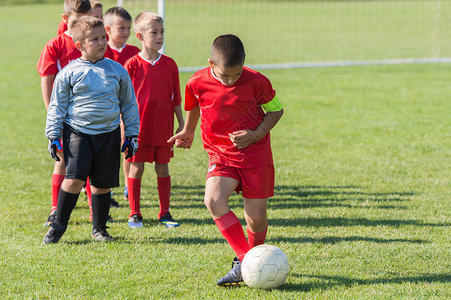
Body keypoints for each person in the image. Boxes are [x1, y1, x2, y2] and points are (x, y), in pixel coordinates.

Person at [168, 34, 283, 285]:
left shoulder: (258, 81)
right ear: (211, 63)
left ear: (245, 63)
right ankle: (247, 261)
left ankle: (249, 261)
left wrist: (256, 134)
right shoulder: (196, 82)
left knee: (256, 217)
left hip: (256, 155)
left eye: (236, 74)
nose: (231, 80)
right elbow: (194, 105)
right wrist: (188, 130)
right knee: (213, 199)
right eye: (225, 75)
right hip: (221, 154)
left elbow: (276, 109)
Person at [43, 16, 140, 244]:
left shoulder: (117, 70)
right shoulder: (69, 72)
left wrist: (132, 134)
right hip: (78, 133)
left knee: (102, 184)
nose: (101, 43)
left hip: (109, 133)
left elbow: (128, 103)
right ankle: (57, 227)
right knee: (74, 179)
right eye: (94, 39)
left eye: (103, 38)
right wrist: (53, 134)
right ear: (79, 45)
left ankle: (99, 229)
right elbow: (57, 105)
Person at [124, 12, 184, 228]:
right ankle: (134, 213)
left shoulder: (170, 64)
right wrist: (124, 127)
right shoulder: (131, 65)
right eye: (154, 33)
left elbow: (176, 98)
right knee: (136, 168)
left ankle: (165, 213)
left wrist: (182, 123)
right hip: (138, 129)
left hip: (163, 128)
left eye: (162, 32)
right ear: (140, 36)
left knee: (163, 168)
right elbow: (123, 100)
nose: (159, 37)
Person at [37, 0, 93, 226]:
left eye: (87, 20)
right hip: (64, 116)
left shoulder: (92, 43)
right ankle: (55, 209)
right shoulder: (55, 45)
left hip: (90, 115)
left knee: (92, 162)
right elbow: (47, 81)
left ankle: (95, 210)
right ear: (64, 20)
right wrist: (53, 115)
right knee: (61, 161)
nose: (82, 26)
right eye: (75, 22)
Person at [103, 7, 141, 202]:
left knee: (127, 147)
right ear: (107, 30)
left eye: (128, 28)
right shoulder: (102, 52)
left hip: (128, 110)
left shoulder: (135, 52)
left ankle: (128, 185)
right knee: (107, 151)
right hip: (107, 111)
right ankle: (104, 189)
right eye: (121, 28)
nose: (126, 32)